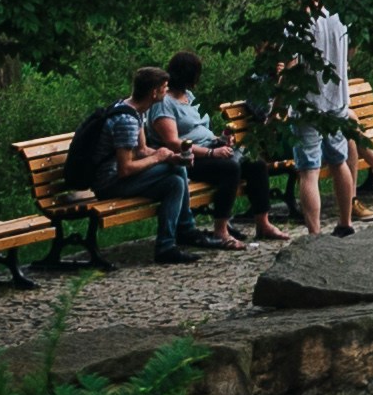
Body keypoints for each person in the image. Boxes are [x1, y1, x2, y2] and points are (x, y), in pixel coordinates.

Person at [150, 50, 281, 246]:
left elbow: (200, 128)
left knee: (256, 164)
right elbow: (173, 143)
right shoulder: (164, 103)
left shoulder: (189, 96)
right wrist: (212, 152)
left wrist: (222, 139)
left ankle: (263, 223)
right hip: (187, 159)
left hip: (211, 148)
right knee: (230, 169)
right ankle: (221, 229)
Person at [85, 65, 200, 264]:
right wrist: (159, 158)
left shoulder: (135, 110)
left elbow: (142, 151)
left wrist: (170, 156)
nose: (167, 91)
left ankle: (168, 244)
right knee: (177, 173)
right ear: (154, 92)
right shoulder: (126, 120)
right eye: (164, 88)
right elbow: (125, 169)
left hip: (119, 177)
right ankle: (184, 231)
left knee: (175, 182)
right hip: (109, 183)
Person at [287, 0, 363, 240]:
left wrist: (278, 105)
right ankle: (345, 223)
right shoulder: (339, 18)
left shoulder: (298, 24)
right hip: (337, 101)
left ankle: (315, 235)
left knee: (309, 171)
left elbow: (289, 68)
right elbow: (351, 51)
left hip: (307, 106)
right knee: (339, 162)